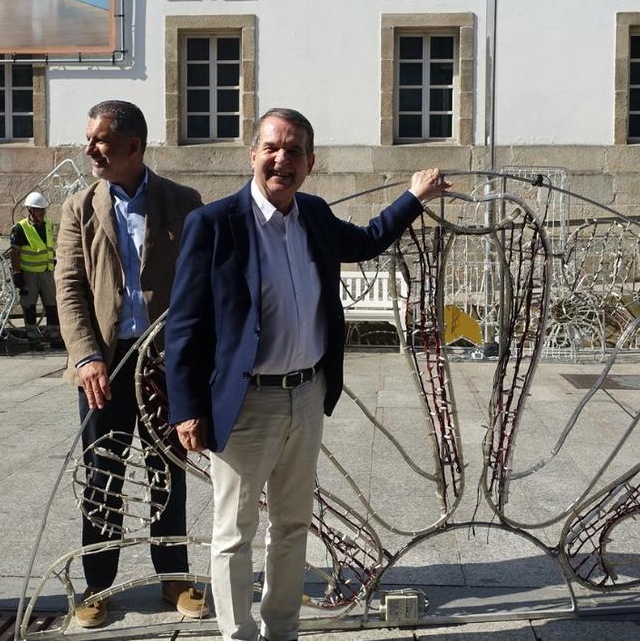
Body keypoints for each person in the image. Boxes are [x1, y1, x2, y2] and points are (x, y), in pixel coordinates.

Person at [165, 107, 451, 641]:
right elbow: (185, 325)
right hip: (246, 403)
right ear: (252, 154)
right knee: (234, 532)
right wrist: (186, 409)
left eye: (294, 151)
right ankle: (238, 635)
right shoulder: (214, 224)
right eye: (272, 148)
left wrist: (414, 196)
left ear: (310, 162)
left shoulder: (314, 216)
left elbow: (367, 241)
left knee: (293, 526)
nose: (282, 159)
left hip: (306, 395)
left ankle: (281, 631)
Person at [54, 100, 207, 628]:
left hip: (163, 365)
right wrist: (86, 357)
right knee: (102, 472)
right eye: (90, 138)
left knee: (169, 468)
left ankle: (174, 577)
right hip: (105, 365)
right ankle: (100, 584)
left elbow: (200, 286)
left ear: (134, 146)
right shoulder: (79, 207)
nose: (90, 149)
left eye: (99, 140)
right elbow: (69, 288)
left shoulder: (184, 203)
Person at [9, 191, 62, 350]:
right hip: (29, 273)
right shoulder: (20, 228)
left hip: (47, 271)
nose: (42, 213)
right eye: (39, 210)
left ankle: (54, 336)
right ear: (30, 210)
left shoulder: (48, 224)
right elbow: (14, 253)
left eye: (43, 210)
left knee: (52, 305)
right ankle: (33, 339)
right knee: (29, 306)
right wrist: (17, 273)